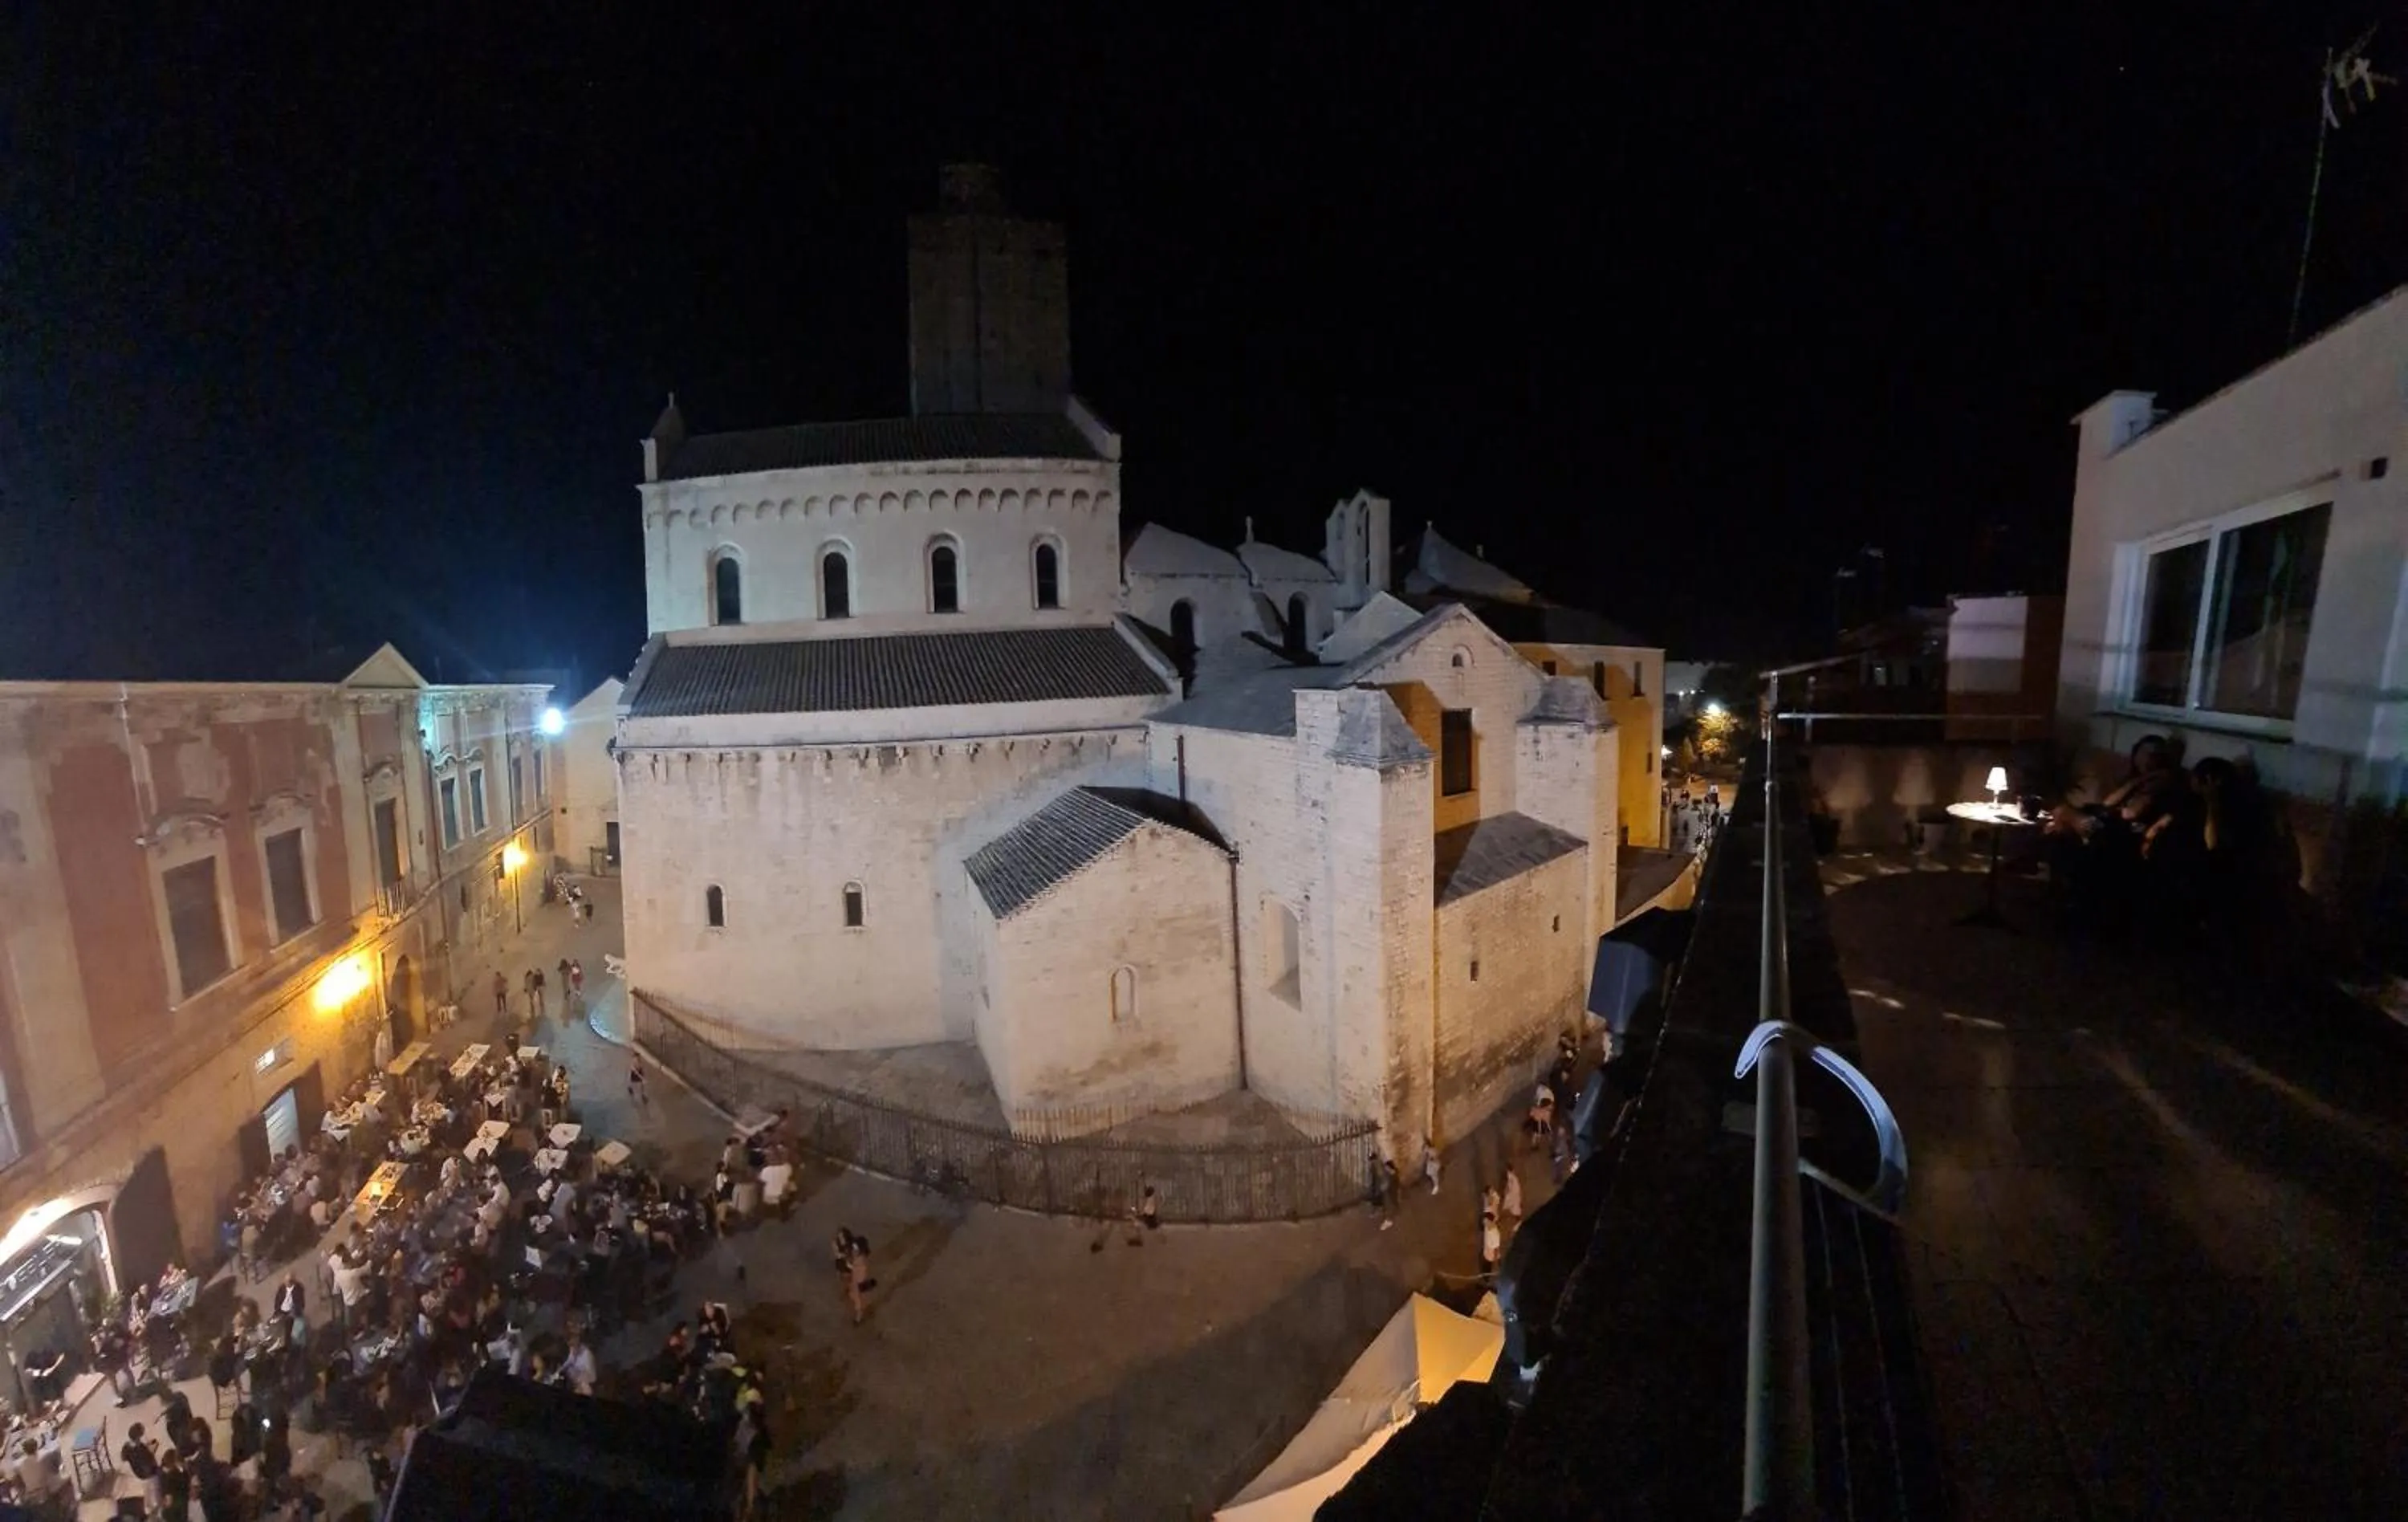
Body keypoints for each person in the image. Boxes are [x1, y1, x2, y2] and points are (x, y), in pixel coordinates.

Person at [122, 1422, 165, 1513]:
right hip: (148, 1473)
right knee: (156, 1487)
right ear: (138, 1436)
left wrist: (146, 1445)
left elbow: (124, 1458)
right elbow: (147, 1460)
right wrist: (152, 1449)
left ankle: (148, 1506)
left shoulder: (127, 1446)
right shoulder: (140, 1451)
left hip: (138, 1474)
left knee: (146, 1490)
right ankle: (159, 1505)